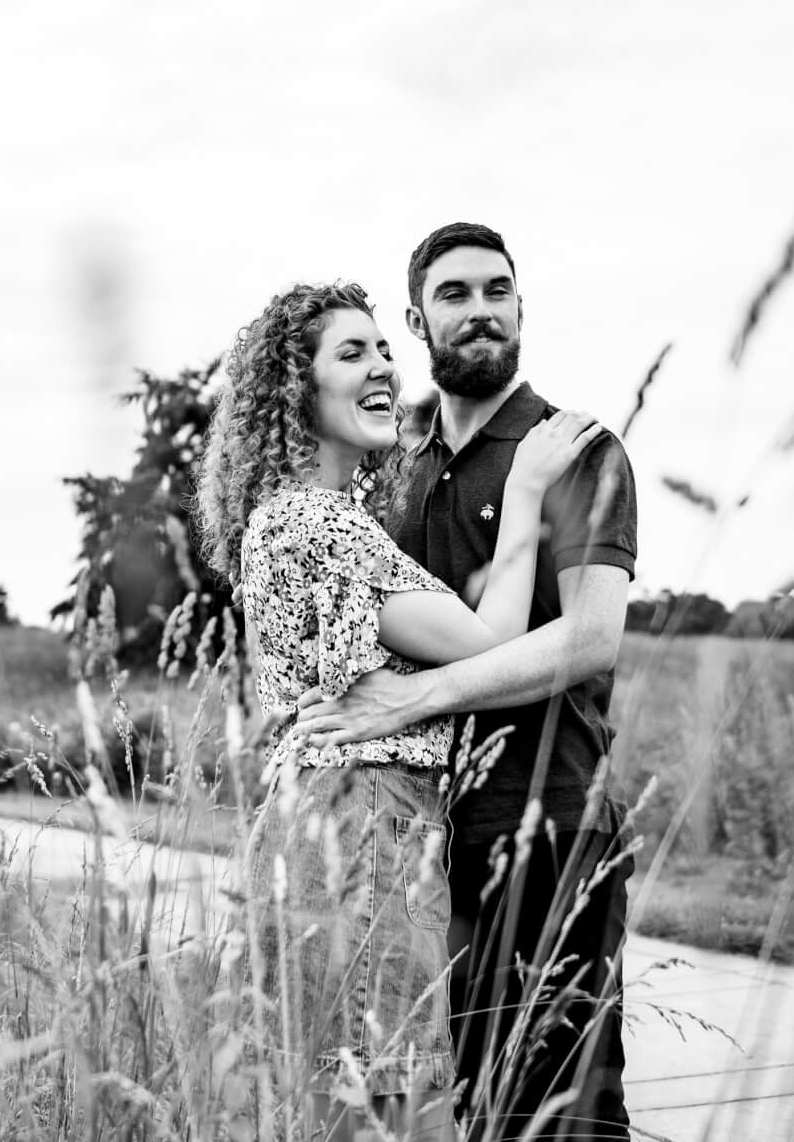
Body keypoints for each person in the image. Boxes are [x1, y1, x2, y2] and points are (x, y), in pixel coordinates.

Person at [194, 280, 602, 1142]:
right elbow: (493, 635)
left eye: (384, 348)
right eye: (352, 353)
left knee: (336, 1101)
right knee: (394, 1108)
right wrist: (524, 490)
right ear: (294, 391)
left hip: (325, 821)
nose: (383, 367)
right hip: (366, 830)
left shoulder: (296, 519)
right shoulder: (321, 527)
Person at [288, 224, 639, 1142]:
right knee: (429, 1108)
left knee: (563, 1111)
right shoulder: (389, 469)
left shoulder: (574, 448)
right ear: (416, 319)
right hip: (409, 841)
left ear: (521, 307)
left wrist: (424, 697)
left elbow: (592, 637)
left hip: (548, 823)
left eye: (498, 290)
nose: (481, 310)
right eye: (455, 294)